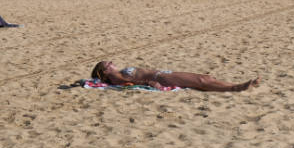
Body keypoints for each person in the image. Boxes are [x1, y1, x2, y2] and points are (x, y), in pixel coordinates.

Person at [90, 61, 257, 92]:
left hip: (163, 73)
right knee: (201, 81)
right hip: (162, 79)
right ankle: (236, 87)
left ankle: (233, 85)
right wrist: (151, 83)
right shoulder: (116, 78)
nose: (112, 62)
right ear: (104, 72)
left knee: (204, 77)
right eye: (108, 64)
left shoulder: (118, 73)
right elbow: (134, 82)